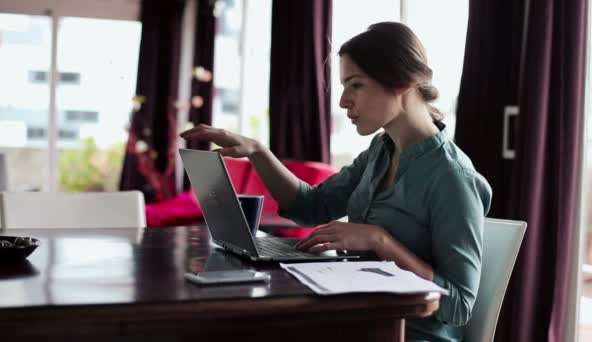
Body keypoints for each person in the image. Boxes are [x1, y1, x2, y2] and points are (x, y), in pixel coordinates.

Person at [181, 22, 491, 342]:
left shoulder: (453, 178)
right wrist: (258, 152)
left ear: (402, 81)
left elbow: (458, 306)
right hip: (357, 320)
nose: (343, 101)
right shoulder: (379, 152)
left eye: (355, 85)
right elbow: (311, 206)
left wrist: (380, 241)